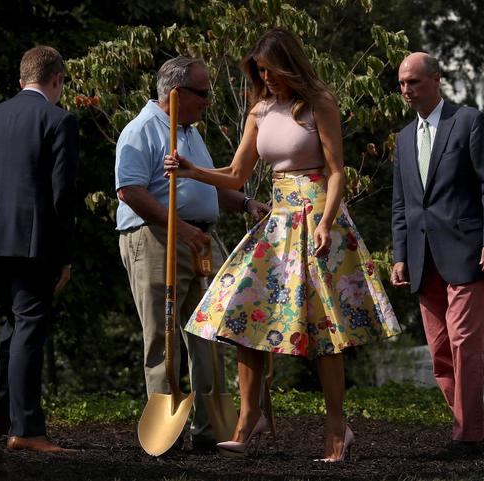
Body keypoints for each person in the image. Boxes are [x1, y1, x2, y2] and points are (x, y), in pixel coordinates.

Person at [164, 28, 401, 461]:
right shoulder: (259, 111)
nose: (265, 77)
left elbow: (336, 172)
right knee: (241, 315)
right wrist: (191, 169)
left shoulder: (319, 104)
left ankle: (336, 431)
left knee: (325, 330)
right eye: (259, 71)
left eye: (270, 69)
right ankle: (248, 419)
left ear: (289, 64)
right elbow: (236, 175)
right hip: (277, 222)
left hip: (317, 221)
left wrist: (327, 221)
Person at [115, 56, 269, 452]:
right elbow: (130, 191)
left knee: (209, 334)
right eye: (202, 93)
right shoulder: (141, 131)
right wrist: (178, 228)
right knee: (161, 336)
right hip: (155, 240)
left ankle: (211, 430)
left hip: (199, 241)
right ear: (177, 93)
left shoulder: (190, 133)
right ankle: (166, 435)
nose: (209, 101)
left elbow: (207, 184)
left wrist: (246, 202)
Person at [0, 46, 79, 453]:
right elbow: (62, 196)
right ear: (57, 79)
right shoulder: (59, 120)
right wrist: (65, 255)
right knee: (29, 324)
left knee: (13, 323)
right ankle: (25, 429)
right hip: (31, 242)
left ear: (21, 79)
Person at [391, 52, 484, 456]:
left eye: (414, 82)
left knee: (464, 343)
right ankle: (479, 431)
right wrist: (399, 255)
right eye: (402, 83)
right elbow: (402, 204)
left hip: (468, 254)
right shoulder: (403, 139)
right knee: (441, 352)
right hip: (423, 261)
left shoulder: (468, 122)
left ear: (436, 79)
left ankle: (467, 438)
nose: (407, 89)